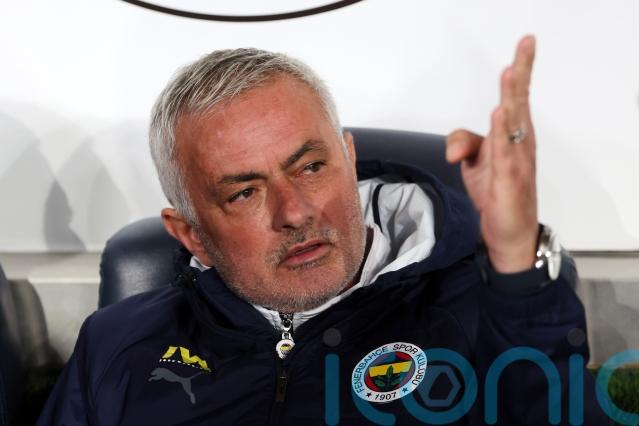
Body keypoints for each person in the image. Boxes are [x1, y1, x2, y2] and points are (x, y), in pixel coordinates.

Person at [38, 36, 609, 425]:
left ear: (349, 159)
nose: (295, 212)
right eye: (245, 192)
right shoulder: (116, 344)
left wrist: (515, 262)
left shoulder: (485, 310)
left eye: (311, 167)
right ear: (190, 234)